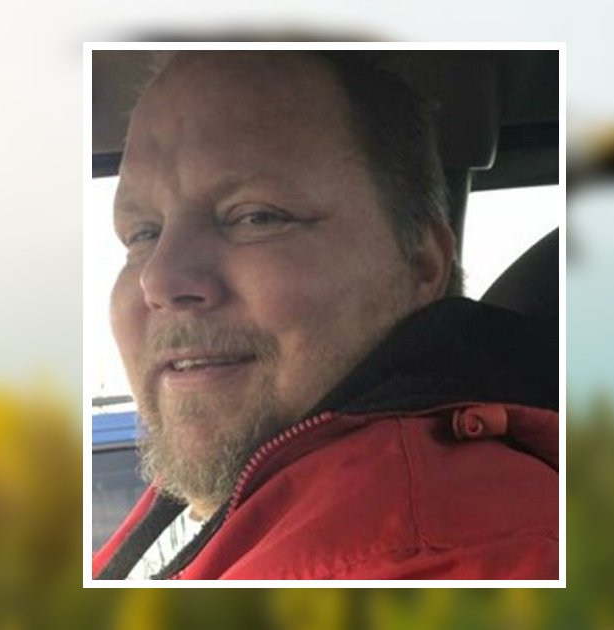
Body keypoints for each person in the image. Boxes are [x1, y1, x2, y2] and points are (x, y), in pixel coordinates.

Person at [93, 51, 558, 580]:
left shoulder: (438, 557)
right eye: (143, 234)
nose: (158, 280)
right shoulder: (245, 481)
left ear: (422, 263)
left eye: (256, 217)